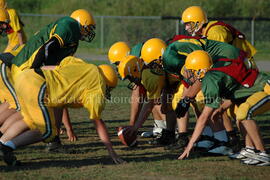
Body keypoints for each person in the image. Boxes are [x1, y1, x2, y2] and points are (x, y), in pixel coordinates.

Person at [0, 56, 124, 166]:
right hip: (38, 85)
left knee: (30, 121)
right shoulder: (97, 86)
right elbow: (98, 122)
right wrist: (111, 152)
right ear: (106, 83)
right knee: (49, 132)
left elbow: (55, 68)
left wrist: (32, 74)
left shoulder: (86, 66)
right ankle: (6, 147)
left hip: (27, 76)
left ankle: (2, 143)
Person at [178, 50, 270, 166]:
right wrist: (221, 108)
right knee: (240, 115)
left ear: (201, 71)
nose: (189, 74)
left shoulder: (210, 79)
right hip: (256, 88)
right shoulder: (215, 71)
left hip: (265, 87)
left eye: (191, 71)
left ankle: (262, 153)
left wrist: (190, 144)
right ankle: (250, 149)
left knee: (244, 113)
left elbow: (203, 118)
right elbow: (236, 88)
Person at [108, 41, 166, 138]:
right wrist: (133, 126)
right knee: (152, 98)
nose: (117, 67)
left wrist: (133, 126)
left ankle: (171, 129)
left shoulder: (139, 67)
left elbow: (139, 95)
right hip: (164, 82)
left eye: (117, 63)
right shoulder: (137, 66)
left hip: (173, 83)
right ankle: (161, 127)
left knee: (156, 100)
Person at [181, 6, 257, 60]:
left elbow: (219, 56)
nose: (186, 28)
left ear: (197, 22)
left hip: (244, 63)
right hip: (235, 60)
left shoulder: (215, 33)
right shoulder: (206, 32)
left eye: (188, 24)